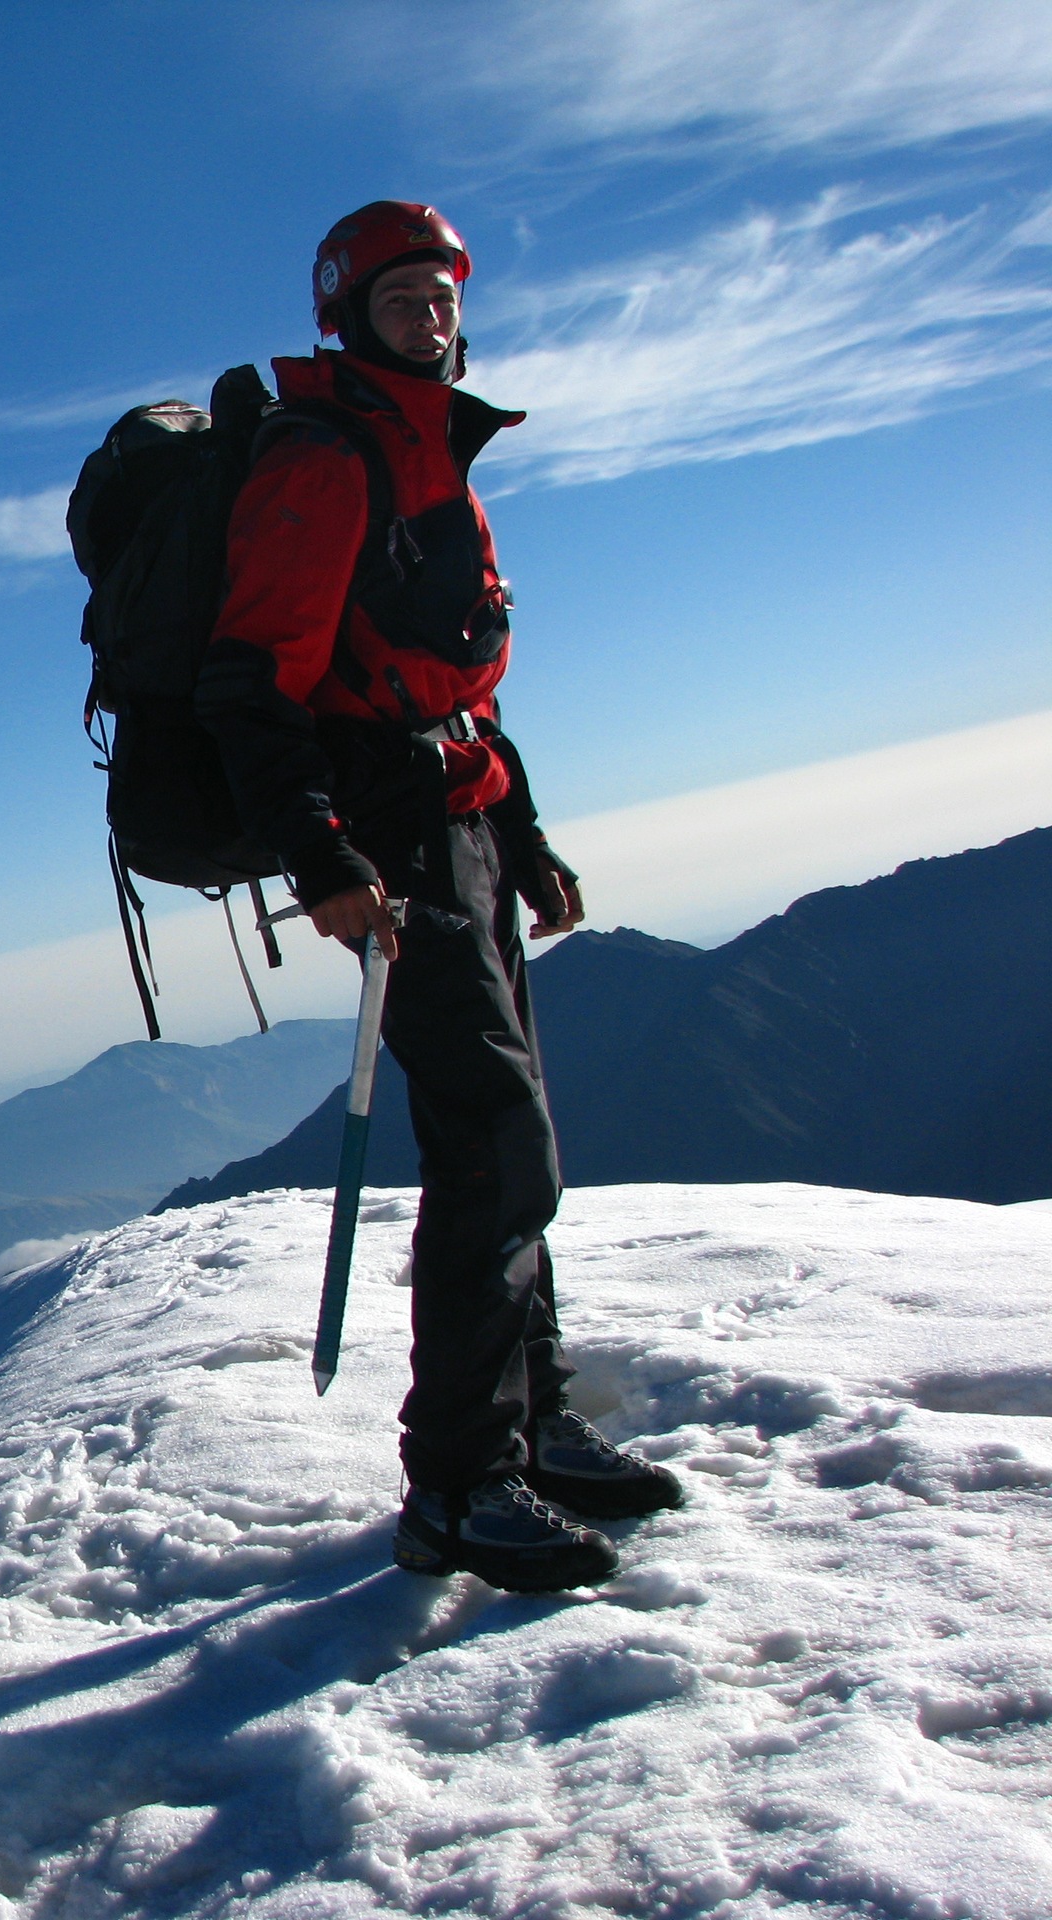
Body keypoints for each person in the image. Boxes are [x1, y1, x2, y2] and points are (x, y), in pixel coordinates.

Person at [193, 201, 681, 1592]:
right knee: (496, 1143)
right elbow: (252, 680)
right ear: (346, 314)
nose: (431, 318)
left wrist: (525, 837)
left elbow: (460, 684)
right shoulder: (326, 457)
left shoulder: (433, 453)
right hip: (392, 848)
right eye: (401, 298)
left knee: (511, 1137)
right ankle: (459, 1484)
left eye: (444, 297)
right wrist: (323, 860)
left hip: (462, 826)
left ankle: (529, 1425)